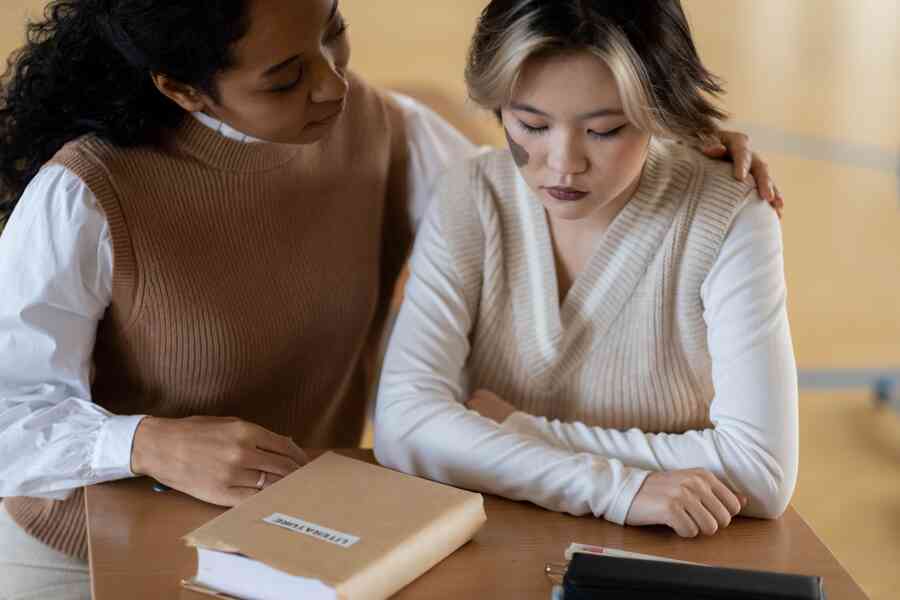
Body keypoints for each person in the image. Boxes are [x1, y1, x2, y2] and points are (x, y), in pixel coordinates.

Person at [0, 0, 778, 597]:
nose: (332, 82)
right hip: (89, 541)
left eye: (332, 34)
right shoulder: (85, 192)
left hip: (296, 535)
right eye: (285, 76)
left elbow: (529, 186)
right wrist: (143, 443)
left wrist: (676, 142)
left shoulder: (386, 131)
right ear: (184, 90)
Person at [374, 0, 798, 540]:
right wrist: (620, 489)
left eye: (604, 130)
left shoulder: (731, 214)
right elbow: (404, 425)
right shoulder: (469, 192)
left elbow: (759, 472)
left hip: (668, 555)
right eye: (530, 124)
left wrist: (510, 429)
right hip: (494, 544)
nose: (563, 162)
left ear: (660, 113)